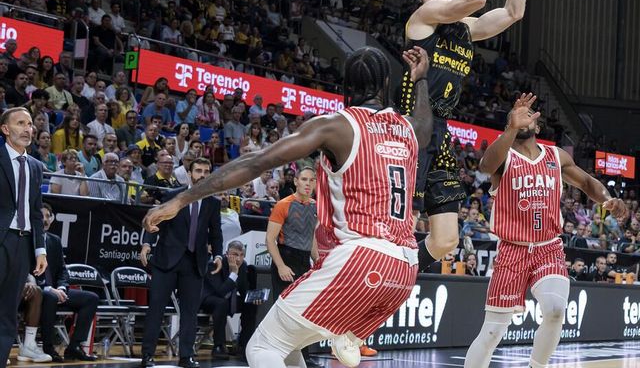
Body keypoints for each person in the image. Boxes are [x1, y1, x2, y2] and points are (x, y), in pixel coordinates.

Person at [143, 47, 432, 368]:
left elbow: (257, 162)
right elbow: (425, 123)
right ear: (387, 83)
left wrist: (181, 199)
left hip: (361, 260)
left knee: (261, 347)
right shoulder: (409, 129)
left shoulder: (337, 126)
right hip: (405, 268)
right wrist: (420, 80)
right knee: (287, 344)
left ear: (347, 87)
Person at [464, 94, 626, 368]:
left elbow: (587, 182)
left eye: (528, 115)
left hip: (548, 247)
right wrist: (511, 128)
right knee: (492, 332)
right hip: (512, 250)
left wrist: (607, 199)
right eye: (516, 116)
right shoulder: (504, 156)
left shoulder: (555, 156)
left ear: (537, 126)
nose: (522, 118)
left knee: (555, 310)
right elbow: (485, 165)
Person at [402, 0, 526, 271]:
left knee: (446, 240)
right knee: (404, 224)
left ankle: (402, 271)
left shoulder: (465, 28)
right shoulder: (424, 15)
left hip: (441, 132)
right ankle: (380, 285)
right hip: (412, 125)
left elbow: (514, 12)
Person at [138, 158, 223, 368]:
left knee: (190, 312)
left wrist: (218, 255)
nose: (202, 175)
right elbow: (156, 220)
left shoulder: (213, 203)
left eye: (206, 171)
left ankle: (186, 356)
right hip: (167, 259)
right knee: (156, 308)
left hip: (195, 262)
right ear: (189, 174)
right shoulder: (173, 195)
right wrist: (147, 244)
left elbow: (216, 233)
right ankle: (147, 355)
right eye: (198, 171)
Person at [0, 107, 48, 368]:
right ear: (5, 129)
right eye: (20, 123)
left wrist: (40, 250)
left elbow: (37, 213)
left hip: (23, 243)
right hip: (2, 240)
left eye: (30, 124)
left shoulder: (36, 166)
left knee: (8, 310)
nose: (28, 129)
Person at [265, 167, 319, 368]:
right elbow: (270, 239)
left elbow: (311, 238)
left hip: (304, 262)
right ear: (296, 181)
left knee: (304, 313)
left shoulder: (316, 207)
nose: (308, 183)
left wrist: (318, 261)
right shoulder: (283, 204)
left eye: (311, 180)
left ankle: (304, 357)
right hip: (285, 259)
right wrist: (281, 266)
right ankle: (277, 356)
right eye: (304, 179)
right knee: (284, 314)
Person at [37, 204, 100, 361]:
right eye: (41, 216)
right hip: (38, 290)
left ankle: (74, 347)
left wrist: (62, 287)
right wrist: (49, 288)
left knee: (91, 298)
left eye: (48, 216)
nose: (45, 220)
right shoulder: (27, 240)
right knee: (50, 297)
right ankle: (48, 347)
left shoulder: (55, 240)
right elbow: (28, 272)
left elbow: (62, 270)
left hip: (57, 290)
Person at [199, 241, 258, 360]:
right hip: (209, 298)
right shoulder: (215, 264)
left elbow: (243, 290)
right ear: (226, 254)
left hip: (227, 300)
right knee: (221, 303)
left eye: (241, 255)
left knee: (250, 304)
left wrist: (254, 298)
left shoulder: (243, 265)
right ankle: (219, 346)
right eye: (235, 254)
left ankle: (244, 345)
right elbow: (220, 292)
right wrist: (234, 273)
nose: (238, 259)